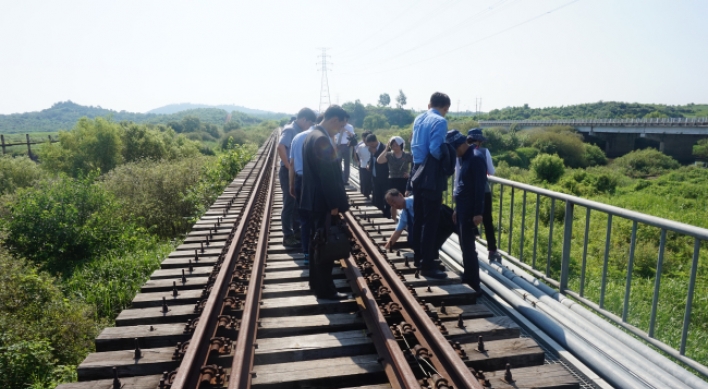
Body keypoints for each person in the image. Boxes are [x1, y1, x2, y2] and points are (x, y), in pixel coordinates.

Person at [300, 105, 350, 300]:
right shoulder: (321, 139)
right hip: (322, 203)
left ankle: (317, 284)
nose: (340, 129)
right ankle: (326, 290)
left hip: (313, 201)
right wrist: (334, 205)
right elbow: (328, 176)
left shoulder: (311, 136)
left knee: (317, 243)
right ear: (334, 120)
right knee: (325, 246)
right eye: (340, 125)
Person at [409, 92, 452, 279]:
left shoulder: (419, 118)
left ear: (429, 104)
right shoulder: (440, 121)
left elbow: (413, 145)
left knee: (418, 216)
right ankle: (428, 264)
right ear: (445, 108)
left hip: (416, 171)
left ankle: (418, 257)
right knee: (431, 220)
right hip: (430, 175)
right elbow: (435, 150)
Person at [448, 130, 486, 293]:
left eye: (454, 149)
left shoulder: (476, 159)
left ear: (462, 145)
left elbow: (479, 187)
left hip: (471, 210)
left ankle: (474, 283)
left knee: (469, 247)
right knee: (464, 244)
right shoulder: (465, 158)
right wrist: (457, 208)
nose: (454, 153)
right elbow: (462, 185)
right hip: (463, 208)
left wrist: (478, 212)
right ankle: (468, 275)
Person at [278, 108, 316, 247]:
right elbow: (281, 147)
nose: (310, 126)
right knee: (289, 203)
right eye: (309, 122)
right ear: (304, 119)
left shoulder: (299, 131)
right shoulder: (290, 129)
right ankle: (287, 235)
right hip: (287, 170)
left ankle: (297, 231)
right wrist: (289, 167)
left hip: (294, 171)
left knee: (296, 203)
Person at [288, 116, 319, 263]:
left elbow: (292, 164)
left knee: (305, 219)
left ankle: (306, 253)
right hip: (317, 182)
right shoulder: (321, 137)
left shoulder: (297, 137)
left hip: (301, 181)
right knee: (319, 218)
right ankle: (319, 251)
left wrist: (291, 184)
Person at [377, 136, 412, 220]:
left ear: (401, 145)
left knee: (405, 200)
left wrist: (409, 174)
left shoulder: (407, 155)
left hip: (404, 180)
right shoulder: (389, 155)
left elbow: (416, 166)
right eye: (392, 145)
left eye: (396, 145)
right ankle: (393, 220)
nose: (394, 146)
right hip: (392, 180)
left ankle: (406, 220)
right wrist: (386, 149)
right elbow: (379, 160)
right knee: (393, 202)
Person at [367, 134, 391, 218]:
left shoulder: (385, 148)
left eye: (372, 144)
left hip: (384, 177)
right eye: (369, 145)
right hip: (374, 177)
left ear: (375, 141)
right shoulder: (371, 149)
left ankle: (387, 215)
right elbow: (372, 160)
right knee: (377, 196)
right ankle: (379, 213)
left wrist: (375, 153)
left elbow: (382, 160)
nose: (371, 146)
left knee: (386, 197)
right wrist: (368, 165)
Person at [335, 120, 355, 184]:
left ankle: (345, 180)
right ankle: (339, 178)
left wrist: (345, 130)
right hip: (337, 145)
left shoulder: (349, 126)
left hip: (346, 146)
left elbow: (352, 135)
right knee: (338, 163)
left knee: (347, 164)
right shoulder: (336, 125)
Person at [354, 131, 373, 197]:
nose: (364, 141)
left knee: (372, 183)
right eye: (363, 139)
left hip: (372, 167)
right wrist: (358, 162)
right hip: (363, 167)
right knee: (364, 183)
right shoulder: (360, 147)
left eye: (365, 140)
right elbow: (357, 155)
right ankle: (365, 196)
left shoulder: (374, 147)